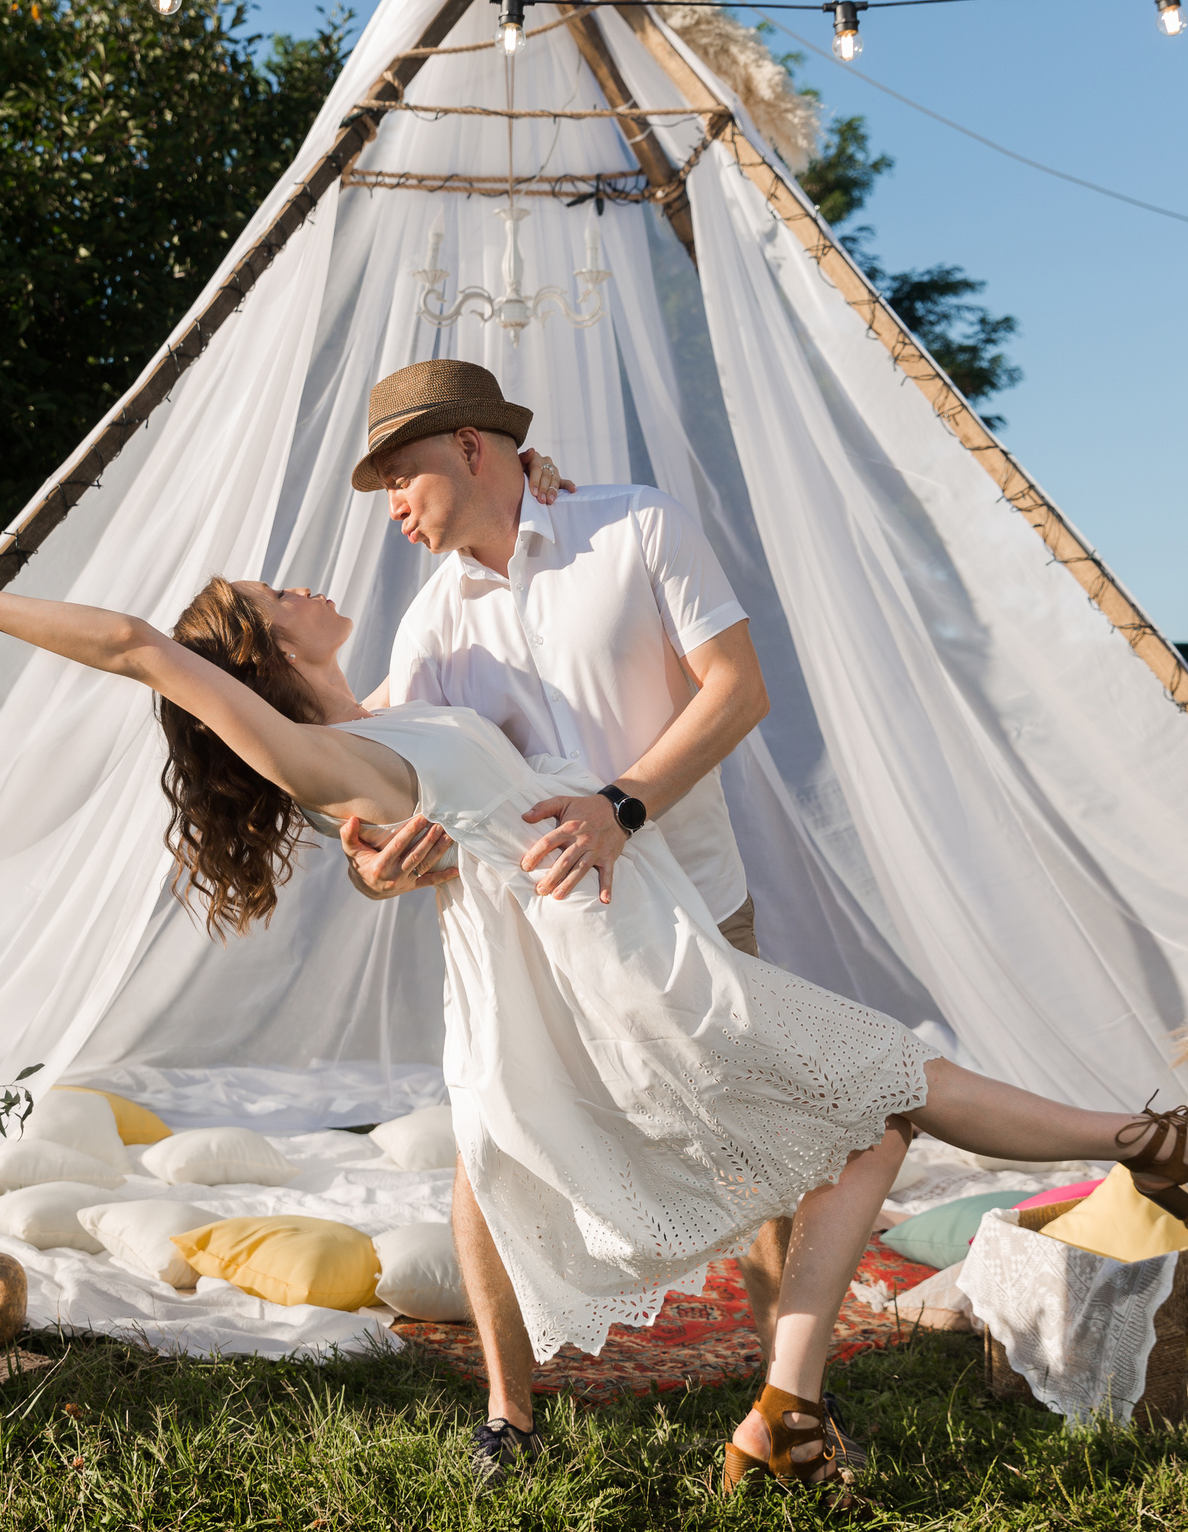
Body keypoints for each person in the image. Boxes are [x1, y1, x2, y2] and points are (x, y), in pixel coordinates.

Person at [0, 550, 1188, 1494]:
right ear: (264, 656)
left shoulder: (392, 709)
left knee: (877, 1113)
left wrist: (385, 845)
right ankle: (1151, 1138)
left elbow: (408, 827)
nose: (301, 581)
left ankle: (790, 1408)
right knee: (890, 1083)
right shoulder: (323, 742)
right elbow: (135, 642)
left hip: (617, 955)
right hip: (626, 978)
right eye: (275, 592)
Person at [335, 357, 862, 1482]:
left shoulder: (634, 528)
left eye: (400, 476)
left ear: (472, 449)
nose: (391, 506)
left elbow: (738, 689)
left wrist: (624, 805)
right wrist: (376, 871)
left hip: (696, 913)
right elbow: (374, 797)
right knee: (487, 1158)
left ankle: (786, 1407)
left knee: (772, 1150)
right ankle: (508, 1419)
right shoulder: (431, 623)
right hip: (541, 952)